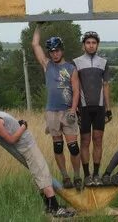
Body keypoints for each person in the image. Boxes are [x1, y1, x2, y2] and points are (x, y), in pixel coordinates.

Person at [0, 96, 75, 218]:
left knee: (39, 174)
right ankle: (55, 209)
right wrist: (23, 126)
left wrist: (18, 125)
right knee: (42, 174)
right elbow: (11, 139)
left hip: (28, 144)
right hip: (26, 147)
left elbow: (10, 129)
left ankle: (50, 207)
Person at [31, 24, 82, 190]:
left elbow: (76, 91)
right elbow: (35, 45)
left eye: (57, 50)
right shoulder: (47, 65)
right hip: (51, 112)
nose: (55, 54)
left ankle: (77, 176)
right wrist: (38, 26)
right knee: (58, 146)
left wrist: (73, 110)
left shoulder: (71, 68)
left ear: (62, 50)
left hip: (67, 111)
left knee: (73, 148)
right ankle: (65, 177)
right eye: (52, 51)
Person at [72, 31, 112, 187]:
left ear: (97, 45)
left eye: (93, 43)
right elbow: (74, 87)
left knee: (98, 140)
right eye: (88, 43)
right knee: (85, 141)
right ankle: (87, 175)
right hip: (84, 108)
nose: (91, 45)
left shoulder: (104, 62)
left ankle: (96, 174)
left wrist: (108, 108)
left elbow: (106, 85)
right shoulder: (76, 62)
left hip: (100, 107)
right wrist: (75, 108)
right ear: (83, 45)